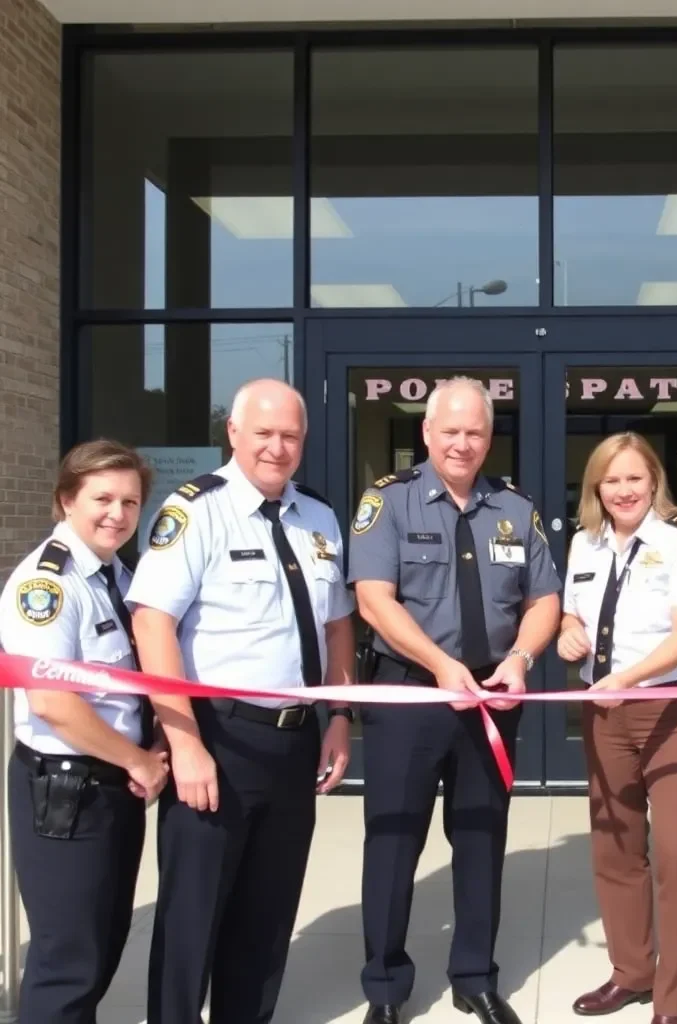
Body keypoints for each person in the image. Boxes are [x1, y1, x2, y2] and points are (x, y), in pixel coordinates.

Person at [126, 378, 357, 1024]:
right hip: (217, 739)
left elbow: (337, 623)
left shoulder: (319, 516)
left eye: (290, 435)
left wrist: (338, 717)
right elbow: (152, 623)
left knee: (266, 916)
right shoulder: (195, 509)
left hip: (294, 742)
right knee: (192, 919)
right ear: (233, 432)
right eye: (264, 433)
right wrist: (184, 740)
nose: (277, 448)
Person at [347, 376, 562, 1024]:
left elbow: (544, 600)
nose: (462, 443)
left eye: (475, 431)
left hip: (492, 697)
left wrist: (521, 658)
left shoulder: (515, 510)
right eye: (451, 431)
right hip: (411, 696)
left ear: (489, 436)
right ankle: (384, 989)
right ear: (427, 433)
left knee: (479, 838)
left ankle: (474, 976)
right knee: (393, 842)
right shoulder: (388, 502)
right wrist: (440, 665)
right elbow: (373, 599)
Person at [0, 439, 169, 1024]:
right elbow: (52, 701)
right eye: (102, 498)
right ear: (66, 500)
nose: (117, 514)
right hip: (66, 792)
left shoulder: (117, 576)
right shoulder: (47, 586)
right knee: (68, 964)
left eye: (130, 501)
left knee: (97, 954)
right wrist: (141, 762)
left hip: (111, 786)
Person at [557, 432, 677, 1024]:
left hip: (672, 709)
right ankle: (631, 973)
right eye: (611, 479)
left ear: (655, 481)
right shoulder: (585, 543)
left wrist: (628, 678)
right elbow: (574, 613)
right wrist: (567, 631)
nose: (623, 490)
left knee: (675, 854)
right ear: (596, 486)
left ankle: (672, 1003)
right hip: (605, 713)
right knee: (616, 847)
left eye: (634, 478)